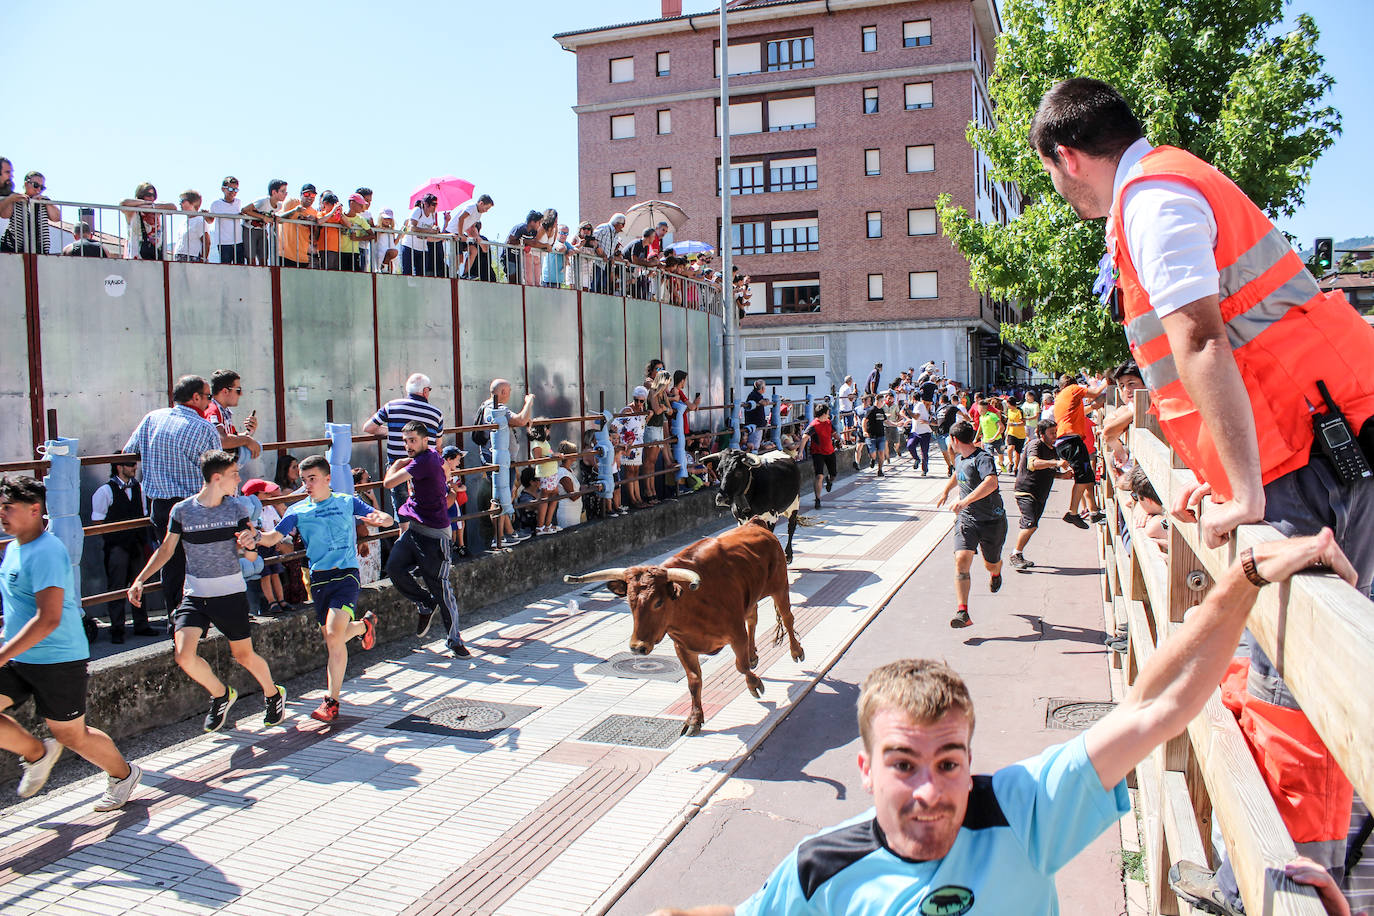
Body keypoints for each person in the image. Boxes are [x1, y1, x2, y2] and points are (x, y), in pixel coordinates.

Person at [650, 529, 1358, 916]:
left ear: (970, 759)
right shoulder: (820, 870)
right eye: (903, 764)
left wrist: (1246, 580)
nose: (930, 790)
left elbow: (1155, 704)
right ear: (865, 770)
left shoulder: (1019, 808)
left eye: (949, 762)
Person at [0, 477, 142, 811]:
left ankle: (123, 775)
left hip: (58, 659)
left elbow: (48, 618)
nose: (2, 514)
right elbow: (16, 610)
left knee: (71, 735)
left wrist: (3, 653)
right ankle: (36, 753)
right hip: (20, 656)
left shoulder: (47, 552)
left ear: (35, 510)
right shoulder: (14, 548)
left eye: (9, 508)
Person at [128, 450, 285, 732]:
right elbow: (166, 550)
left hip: (230, 594)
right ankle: (221, 694)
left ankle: (273, 694)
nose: (239, 478)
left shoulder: (237, 509)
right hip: (196, 595)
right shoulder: (182, 511)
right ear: (217, 478)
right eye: (234, 474)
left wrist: (250, 544)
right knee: (183, 655)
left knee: (244, 656)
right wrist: (140, 579)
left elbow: (251, 558)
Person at [252, 455, 392, 723]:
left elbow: (372, 514)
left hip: (345, 575)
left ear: (328, 478)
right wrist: (257, 536)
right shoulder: (297, 511)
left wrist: (382, 518)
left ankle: (332, 701)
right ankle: (364, 626)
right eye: (304, 480)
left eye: (312, 479)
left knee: (332, 636)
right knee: (334, 636)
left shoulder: (345, 501)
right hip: (318, 579)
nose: (307, 485)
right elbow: (274, 537)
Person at [123, 375, 222, 616]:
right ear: (196, 397)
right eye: (208, 397)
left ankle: (174, 618)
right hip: (194, 504)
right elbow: (219, 470)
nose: (209, 402)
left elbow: (128, 452)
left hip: (160, 504)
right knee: (202, 561)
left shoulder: (152, 419)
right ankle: (201, 617)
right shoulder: (204, 428)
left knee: (170, 561)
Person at [384, 422, 469, 657]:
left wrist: (396, 464)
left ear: (424, 440)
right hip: (414, 529)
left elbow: (388, 483)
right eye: (405, 441)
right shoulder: (432, 455)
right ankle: (424, 602)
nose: (407, 445)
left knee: (441, 588)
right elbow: (447, 471)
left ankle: (455, 639)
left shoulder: (421, 461)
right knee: (394, 568)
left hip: (434, 536)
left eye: (412, 440)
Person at [937, 420, 1007, 628]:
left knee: (990, 563)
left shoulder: (982, 458)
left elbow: (991, 482)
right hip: (967, 519)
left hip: (991, 520)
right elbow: (958, 476)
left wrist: (964, 500)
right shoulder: (960, 458)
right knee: (961, 559)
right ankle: (962, 613)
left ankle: (996, 571)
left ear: (954, 440)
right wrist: (945, 491)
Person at [90, 458, 157, 643]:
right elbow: (98, 520)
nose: (135, 467)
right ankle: (117, 628)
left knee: (139, 583)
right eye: (130, 464)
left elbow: (144, 513)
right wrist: (114, 536)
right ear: (119, 467)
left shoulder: (140, 489)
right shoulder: (105, 491)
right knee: (117, 586)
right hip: (117, 546)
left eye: (135, 464)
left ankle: (141, 624)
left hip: (136, 543)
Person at [363, 373, 445, 516]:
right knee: (426, 508)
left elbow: (368, 428)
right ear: (425, 391)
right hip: (425, 466)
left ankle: (404, 533)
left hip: (398, 467)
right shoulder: (436, 413)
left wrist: (393, 432)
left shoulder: (391, 406)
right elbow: (438, 443)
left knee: (402, 512)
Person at [1009, 419, 1072, 571]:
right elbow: (1033, 464)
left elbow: (1048, 470)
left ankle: (1018, 554)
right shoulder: (1035, 445)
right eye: (1051, 433)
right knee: (1030, 523)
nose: (1055, 436)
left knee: (1032, 525)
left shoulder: (1052, 449)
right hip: (1027, 490)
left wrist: (1061, 476)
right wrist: (1056, 463)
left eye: (1055, 432)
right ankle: (1015, 555)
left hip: (1040, 493)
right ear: (1041, 434)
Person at [1052, 373, 1111, 528]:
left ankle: (1093, 512)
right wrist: (1108, 382)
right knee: (1083, 478)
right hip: (1071, 442)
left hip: (1066, 442)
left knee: (1088, 477)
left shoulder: (1061, 398)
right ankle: (1072, 513)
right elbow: (1095, 393)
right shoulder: (1073, 389)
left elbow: (1079, 412)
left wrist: (1093, 406)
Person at [482, 378, 536, 536]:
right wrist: (529, 402)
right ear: (503, 392)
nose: (510, 393)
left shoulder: (487, 406)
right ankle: (500, 537)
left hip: (501, 459)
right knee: (499, 498)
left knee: (504, 496)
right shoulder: (496, 407)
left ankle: (508, 534)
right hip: (500, 460)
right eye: (509, 390)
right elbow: (520, 420)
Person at [203, 369, 261, 461]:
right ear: (225, 391)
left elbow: (232, 439)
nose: (241, 394)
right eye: (238, 390)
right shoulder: (212, 410)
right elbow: (222, 440)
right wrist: (247, 440)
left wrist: (249, 431)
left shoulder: (223, 411)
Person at [1, 171, 59, 254]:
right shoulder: (15, 198)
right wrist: (11, 199)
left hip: (39, 250)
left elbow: (56, 218)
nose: (38, 189)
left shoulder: (44, 201)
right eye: (36, 185)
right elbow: (5, 215)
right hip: (13, 248)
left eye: (42, 187)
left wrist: (46, 202)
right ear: (26, 184)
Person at [120, 182, 175, 260]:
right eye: (148, 195)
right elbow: (123, 203)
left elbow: (172, 207)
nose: (152, 198)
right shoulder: (132, 211)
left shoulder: (156, 209)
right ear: (141, 195)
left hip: (156, 255)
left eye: (154, 195)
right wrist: (144, 203)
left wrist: (152, 206)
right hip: (137, 256)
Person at [239, 179, 287, 266]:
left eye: (286, 192)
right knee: (251, 257)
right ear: (274, 192)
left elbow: (270, 215)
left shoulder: (279, 206)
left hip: (263, 231)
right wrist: (263, 217)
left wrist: (274, 218)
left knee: (264, 258)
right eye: (283, 191)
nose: (285, 194)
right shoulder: (263, 201)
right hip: (250, 229)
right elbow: (244, 210)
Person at [799, 402, 838, 509]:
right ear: (824, 414)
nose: (829, 415)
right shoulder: (814, 425)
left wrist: (839, 439)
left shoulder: (829, 422)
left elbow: (834, 433)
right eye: (828, 413)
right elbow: (804, 438)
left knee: (833, 475)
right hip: (818, 453)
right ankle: (818, 499)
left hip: (830, 452)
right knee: (819, 475)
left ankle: (829, 481)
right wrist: (800, 452)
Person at [276, 183, 319, 269]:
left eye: (313, 195)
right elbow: (278, 218)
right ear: (301, 195)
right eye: (307, 194)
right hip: (285, 255)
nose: (310, 197)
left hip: (302, 258)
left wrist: (314, 223)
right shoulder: (292, 202)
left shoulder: (314, 212)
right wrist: (295, 210)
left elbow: (314, 237)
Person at [210, 177, 246, 264]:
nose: (233, 192)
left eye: (236, 190)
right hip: (224, 243)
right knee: (226, 269)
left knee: (240, 268)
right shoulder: (216, 204)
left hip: (238, 241)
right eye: (230, 189)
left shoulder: (238, 202)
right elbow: (210, 220)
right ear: (223, 189)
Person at [171, 191, 209, 262]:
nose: (180, 203)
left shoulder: (200, 221)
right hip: (179, 257)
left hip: (192, 258)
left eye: (182, 201)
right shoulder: (183, 222)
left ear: (193, 203)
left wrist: (203, 259)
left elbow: (206, 242)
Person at [554, 441, 583, 529]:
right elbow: (573, 496)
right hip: (567, 512)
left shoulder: (569, 470)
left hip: (574, 510)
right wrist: (586, 489)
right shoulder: (563, 473)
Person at [860, 393, 888, 477]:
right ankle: (872, 459)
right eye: (882, 401)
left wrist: (896, 424)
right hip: (871, 435)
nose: (883, 403)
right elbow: (864, 421)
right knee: (872, 453)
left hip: (881, 435)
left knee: (881, 453)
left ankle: (880, 470)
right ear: (878, 401)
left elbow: (886, 421)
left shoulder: (882, 410)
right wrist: (864, 431)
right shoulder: (871, 410)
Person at [742, 379, 769, 452]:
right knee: (754, 446)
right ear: (762, 388)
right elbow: (763, 402)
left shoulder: (754, 394)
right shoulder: (755, 395)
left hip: (754, 425)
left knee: (754, 445)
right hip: (755, 425)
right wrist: (766, 401)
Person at [836, 375, 858, 443]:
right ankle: (848, 439)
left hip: (842, 408)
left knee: (845, 425)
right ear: (849, 381)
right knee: (849, 425)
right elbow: (851, 398)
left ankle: (846, 439)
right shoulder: (848, 388)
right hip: (847, 408)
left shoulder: (842, 387)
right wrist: (854, 392)